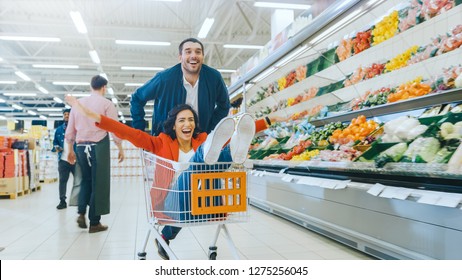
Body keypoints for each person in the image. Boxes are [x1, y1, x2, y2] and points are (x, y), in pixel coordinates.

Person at [65, 95, 277, 260]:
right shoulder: (160, 142)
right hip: (172, 203)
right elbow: (129, 132)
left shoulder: (203, 139)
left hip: (206, 202)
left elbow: (234, 133)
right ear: (174, 125)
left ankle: (234, 152)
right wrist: (91, 114)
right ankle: (221, 155)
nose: (188, 124)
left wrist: (268, 120)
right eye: (182, 120)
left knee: (216, 153)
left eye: (191, 120)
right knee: (198, 164)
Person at [130, 37, 231, 135]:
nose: (193, 55)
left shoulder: (213, 78)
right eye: (188, 51)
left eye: (198, 52)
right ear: (180, 57)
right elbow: (137, 98)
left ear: (203, 57)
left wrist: (210, 129)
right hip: (167, 141)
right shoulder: (164, 79)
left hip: (199, 142)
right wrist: (139, 130)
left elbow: (224, 105)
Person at [65, 75, 125, 234]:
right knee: (99, 184)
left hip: (81, 146)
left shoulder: (78, 104)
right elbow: (114, 128)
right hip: (98, 146)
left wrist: (70, 149)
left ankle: (81, 212)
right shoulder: (107, 104)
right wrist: (120, 148)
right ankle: (94, 223)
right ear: (104, 87)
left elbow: (70, 129)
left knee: (84, 180)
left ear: (91, 86)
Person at [52, 109, 75, 210]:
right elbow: (55, 142)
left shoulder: (77, 128)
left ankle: (81, 200)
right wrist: (56, 147)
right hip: (63, 159)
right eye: (65, 114)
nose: (66, 116)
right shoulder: (59, 130)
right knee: (62, 181)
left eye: (68, 114)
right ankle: (62, 201)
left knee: (80, 180)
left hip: (76, 160)